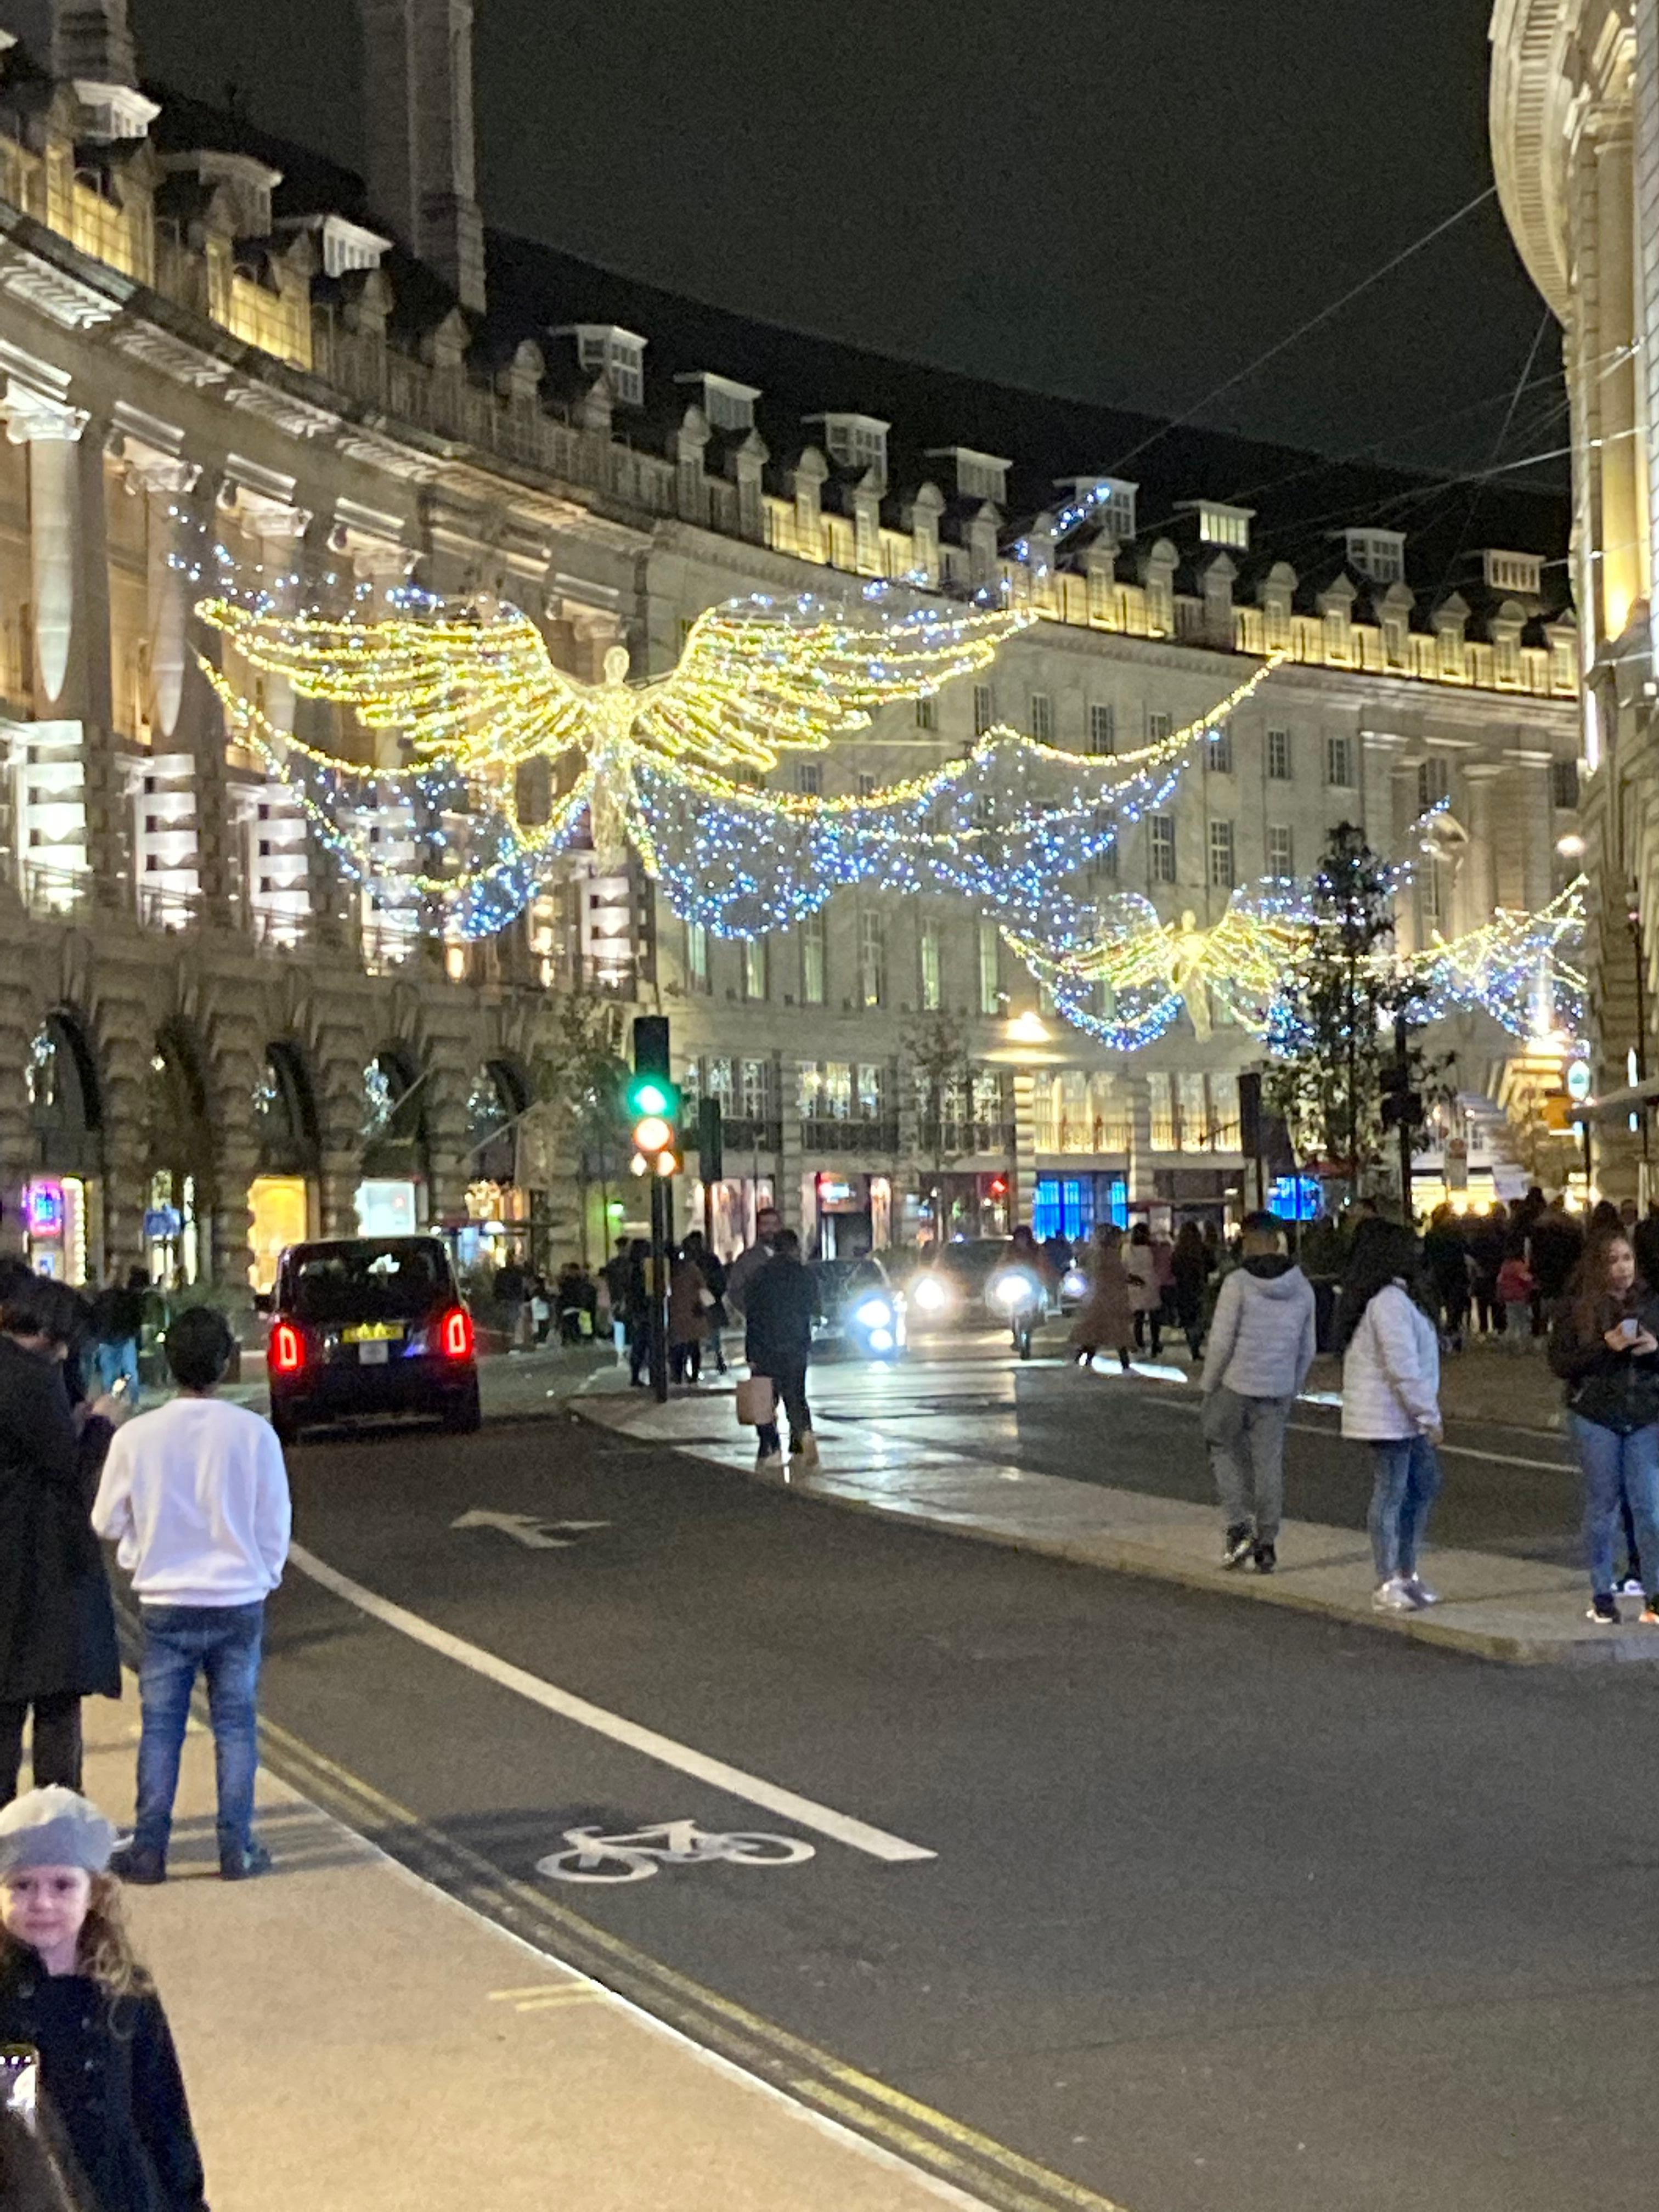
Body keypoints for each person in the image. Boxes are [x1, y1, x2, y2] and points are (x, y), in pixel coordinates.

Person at [91, 1306, 290, 1883]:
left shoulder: (137, 1437)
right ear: (226, 1364)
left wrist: (139, 1551)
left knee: (161, 1727)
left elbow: (106, 1520)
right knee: (235, 1725)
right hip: (237, 1599)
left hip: (166, 1599)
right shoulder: (254, 1434)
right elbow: (274, 1522)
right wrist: (263, 1574)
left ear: (169, 1362)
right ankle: (238, 1847)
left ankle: (151, 1849)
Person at [0, 1786, 207, 2212]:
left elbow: (164, 2113)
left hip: (122, 2192)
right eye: (22, 1885)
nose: (42, 1903)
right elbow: (17, 2124)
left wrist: (188, 2201)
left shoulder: (125, 1992)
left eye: (63, 1885)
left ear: (93, 1894)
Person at [0, 1283, 123, 1809]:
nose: (69, 1354)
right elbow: (67, 1468)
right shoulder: (29, 1379)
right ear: (48, 1331)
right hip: (40, 1560)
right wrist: (100, 1424)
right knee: (55, 1700)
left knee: (4, 1710)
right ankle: (55, 1827)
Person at [1548, 1232, 1659, 1624]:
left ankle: (1654, 1594)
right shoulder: (1579, 1308)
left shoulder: (1650, 1304)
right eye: (1613, 1260)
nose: (1622, 1268)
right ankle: (1602, 1593)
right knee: (1603, 1508)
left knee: (1650, 1509)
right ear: (1598, 1266)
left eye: (1627, 1258)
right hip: (1597, 1416)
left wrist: (1654, 1351)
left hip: (1645, 1414)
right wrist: (1604, 1347)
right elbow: (1561, 1363)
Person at [1335, 1220, 1444, 1612]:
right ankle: (1390, 1578)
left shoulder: (1395, 1299)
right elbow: (1402, 1365)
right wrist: (1428, 1416)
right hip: (1390, 1415)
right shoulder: (1389, 1303)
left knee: (1420, 1485)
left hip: (1397, 1414)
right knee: (1395, 1491)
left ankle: (1405, 1572)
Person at [1200, 1211, 1317, 1575]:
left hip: (1237, 1383)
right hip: (1277, 1386)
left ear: (1251, 1240)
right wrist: (1293, 1385)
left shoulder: (1238, 1283)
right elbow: (1308, 1347)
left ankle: (1238, 1526)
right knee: (1269, 1463)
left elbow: (1221, 1342)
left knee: (1219, 1443)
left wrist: (1208, 1384)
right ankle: (1267, 1543)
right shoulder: (1302, 1287)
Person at [743, 1227, 820, 1470]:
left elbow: (752, 1315)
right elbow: (815, 1308)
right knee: (795, 1398)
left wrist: (751, 1352)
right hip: (795, 1346)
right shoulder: (805, 1276)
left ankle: (771, 1448)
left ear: (773, 1249)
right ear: (795, 1248)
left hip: (764, 1348)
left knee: (761, 1402)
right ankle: (800, 1446)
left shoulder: (759, 1276)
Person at [1069, 1227, 1133, 1373]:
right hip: (1111, 1297)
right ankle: (1125, 1364)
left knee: (1097, 1332)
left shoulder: (1096, 1254)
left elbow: (1085, 1266)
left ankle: (1083, 1357)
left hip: (1098, 1296)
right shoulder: (1111, 1255)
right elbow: (1119, 1274)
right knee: (1117, 1331)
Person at [86, 1271, 146, 1407]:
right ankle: (133, 1403)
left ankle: (111, 1403)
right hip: (125, 1339)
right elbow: (137, 1319)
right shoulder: (129, 1298)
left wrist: (97, 1337)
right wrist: (136, 1338)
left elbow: (94, 1318)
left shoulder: (101, 1298)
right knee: (130, 1373)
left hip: (107, 1340)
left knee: (109, 1374)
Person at [1527, 1197, 1584, 1333]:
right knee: (1561, 1309)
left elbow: (1534, 1254)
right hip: (1564, 1275)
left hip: (1547, 1275)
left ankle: (1542, 1332)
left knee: (1544, 1309)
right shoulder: (1572, 1228)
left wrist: (1535, 1273)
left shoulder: (1539, 1229)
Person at [1421, 1205, 1470, 1351]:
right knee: (1455, 1308)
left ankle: (1444, 1337)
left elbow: (1426, 1256)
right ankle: (1454, 1335)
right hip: (1456, 1274)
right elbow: (1466, 1250)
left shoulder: (1432, 1234)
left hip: (1440, 1274)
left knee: (1438, 1307)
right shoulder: (1458, 1233)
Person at [725, 1204, 781, 1321]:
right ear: (759, 1227)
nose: (770, 1229)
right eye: (766, 1224)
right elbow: (735, 1292)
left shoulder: (788, 1256)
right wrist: (754, 1313)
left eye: (774, 1225)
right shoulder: (747, 1260)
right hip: (760, 1325)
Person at [684, 1232, 729, 1376]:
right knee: (711, 1335)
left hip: (699, 1303)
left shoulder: (690, 1261)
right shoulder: (710, 1259)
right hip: (709, 1301)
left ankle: (696, 1368)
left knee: (695, 1338)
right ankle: (717, 1361)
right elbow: (721, 1281)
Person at [666, 1244, 708, 1386]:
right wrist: (704, 1306)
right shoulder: (691, 1269)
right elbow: (702, 1287)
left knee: (679, 1346)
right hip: (692, 1312)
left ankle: (679, 1375)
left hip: (680, 1313)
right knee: (693, 1346)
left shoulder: (670, 1271)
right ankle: (692, 1375)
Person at [1170, 1222, 1209, 1361]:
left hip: (1183, 1289)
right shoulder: (1202, 1249)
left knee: (1188, 1319)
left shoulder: (1178, 1251)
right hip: (1199, 1287)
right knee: (1199, 1318)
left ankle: (1193, 1346)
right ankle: (1196, 1346)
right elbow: (1212, 1264)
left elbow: (1173, 1269)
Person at [1468, 1205, 1509, 1335]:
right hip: (1497, 1271)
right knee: (1498, 1302)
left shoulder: (1482, 1231)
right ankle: (1499, 1329)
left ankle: (1484, 1329)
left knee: (1483, 1303)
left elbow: (1473, 1251)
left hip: (1483, 1272)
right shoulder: (1503, 1233)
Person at [1124, 1222, 1162, 1357]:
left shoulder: (1128, 1249)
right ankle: (1155, 1343)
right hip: (1151, 1282)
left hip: (1135, 1285)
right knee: (1154, 1317)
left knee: (1138, 1318)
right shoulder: (1151, 1248)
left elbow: (1124, 1266)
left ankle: (1139, 1344)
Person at [600, 1239, 633, 1361]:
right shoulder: (632, 1263)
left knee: (620, 1325)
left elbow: (611, 1284)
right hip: (627, 1300)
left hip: (617, 1300)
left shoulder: (613, 1264)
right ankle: (625, 1351)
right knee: (627, 1325)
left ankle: (621, 1352)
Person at [1496, 1249, 1536, 1345]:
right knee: (1523, 1320)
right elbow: (1527, 1280)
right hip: (1520, 1297)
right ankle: (1522, 1342)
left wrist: (1500, 1294)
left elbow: (1499, 1281)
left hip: (1508, 1298)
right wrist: (1531, 1288)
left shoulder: (1504, 1267)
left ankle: (1510, 1341)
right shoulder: (1520, 1266)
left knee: (1511, 1320)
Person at [492, 1256, 528, 1351]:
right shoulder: (517, 1273)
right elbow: (521, 1287)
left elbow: (496, 1287)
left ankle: (507, 1344)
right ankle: (510, 1344)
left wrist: (497, 1298)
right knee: (512, 1322)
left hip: (504, 1300)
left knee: (505, 1323)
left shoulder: (501, 1273)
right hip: (513, 1300)